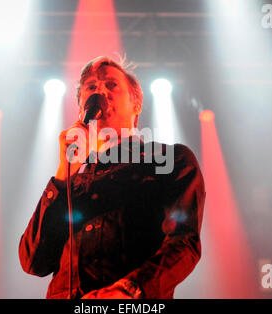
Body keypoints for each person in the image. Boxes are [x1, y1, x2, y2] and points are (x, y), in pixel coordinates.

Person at [19, 56, 206, 299]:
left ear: (136, 104)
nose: (100, 92)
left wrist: (130, 290)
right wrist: (63, 174)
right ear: (81, 107)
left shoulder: (168, 159)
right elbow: (34, 262)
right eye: (91, 87)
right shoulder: (71, 182)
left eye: (111, 85)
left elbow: (183, 244)